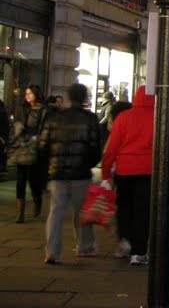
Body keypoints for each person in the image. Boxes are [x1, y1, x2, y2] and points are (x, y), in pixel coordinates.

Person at [37, 83, 101, 264]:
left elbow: (42, 146)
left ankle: (52, 252)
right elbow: (95, 147)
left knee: (56, 212)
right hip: (81, 173)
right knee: (82, 211)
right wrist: (88, 164)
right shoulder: (89, 119)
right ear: (84, 98)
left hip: (57, 173)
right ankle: (84, 246)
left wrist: (52, 162)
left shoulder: (54, 118)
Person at [102, 85, 154, 266]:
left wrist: (105, 172)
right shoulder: (158, 117)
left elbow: (111, 148)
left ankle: (125, 239)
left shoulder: (124, 117)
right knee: (143, 212)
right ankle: (139, 252)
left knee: (124, 208)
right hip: (148, 171)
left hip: (124, 171)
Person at [11, 84, 48, 223]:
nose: (27, 96)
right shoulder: (23, 108)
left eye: (30, 93)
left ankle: (37, 199)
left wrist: (37, 139)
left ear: (36, 94)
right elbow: (17, 123)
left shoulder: (43, 110)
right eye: (26, 93)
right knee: (20, 179)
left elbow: (44, 128)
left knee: (33, 180)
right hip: (23, 146)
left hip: (35, 147)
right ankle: (20, 212)